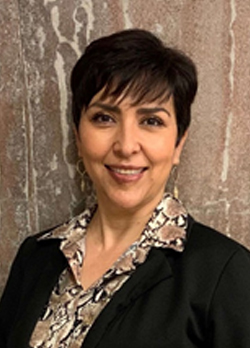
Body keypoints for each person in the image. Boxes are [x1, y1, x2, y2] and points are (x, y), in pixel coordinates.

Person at [0, 28, 250, 348]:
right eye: (104, 117)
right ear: (78, 135)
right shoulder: (36, 257)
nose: (126, 145)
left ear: (178, 143)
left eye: (151, 121)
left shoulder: (221, 272)